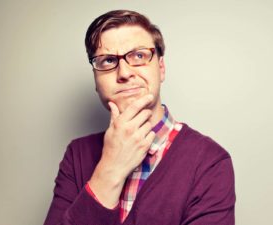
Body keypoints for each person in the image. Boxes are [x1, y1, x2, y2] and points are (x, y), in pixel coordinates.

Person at [44, 9, 235, 225]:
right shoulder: (77, 155)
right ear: (96, 80)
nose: (124, 73)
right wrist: (110, 169)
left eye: (139, 56)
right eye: (107, 61)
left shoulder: (210, 162)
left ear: (161, 68)